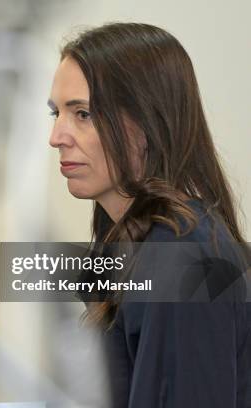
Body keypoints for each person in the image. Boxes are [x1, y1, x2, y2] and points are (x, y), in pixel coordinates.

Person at [48, 22, 251, 407]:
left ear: (146, 123)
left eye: (83, 114)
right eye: (56, 113)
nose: (57, 136)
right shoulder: (133, 247)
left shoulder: (183, 254)